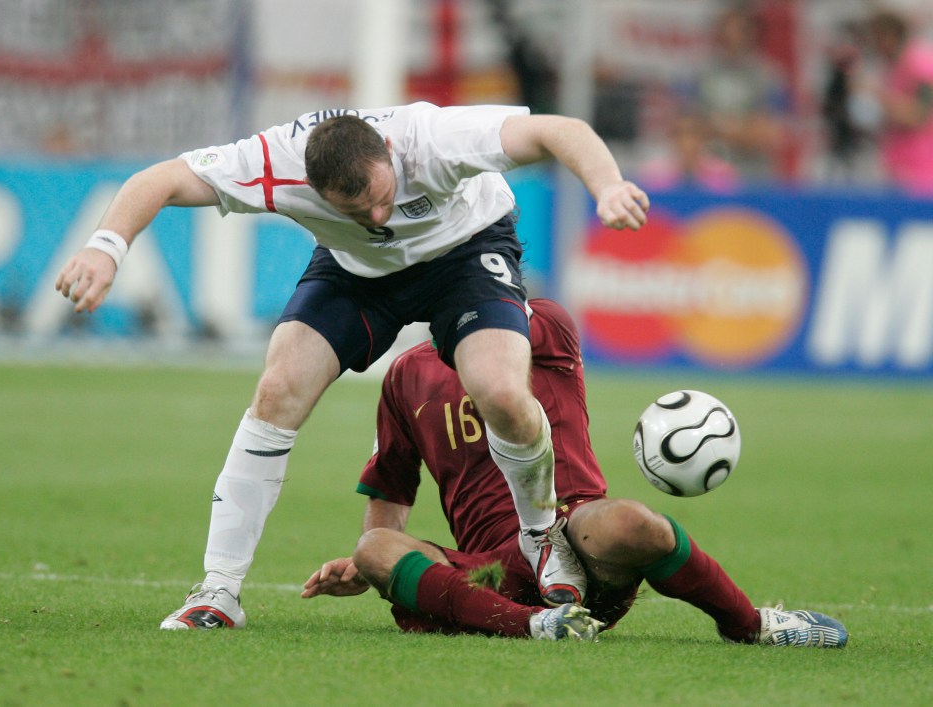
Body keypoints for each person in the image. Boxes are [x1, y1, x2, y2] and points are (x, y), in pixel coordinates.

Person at [53, 102, 651, 629]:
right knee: (278, 388)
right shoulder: (275, 161)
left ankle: (541, 535)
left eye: (383, 198)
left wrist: (607, 186)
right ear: (314, 189)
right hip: (358, 275)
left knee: (497, 389)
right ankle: (219, 589)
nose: (379, 218)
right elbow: (161, 177)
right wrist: (107, 247)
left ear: (390, 154)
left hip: (465, 254)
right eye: (356, 209)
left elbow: (560, 129)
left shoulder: (434, 137)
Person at [301, 299, 849, 646]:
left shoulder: (546, 327)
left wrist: (484, 299)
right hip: (491, 573)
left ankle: (751, 625)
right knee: (375, 547)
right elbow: (391, 485)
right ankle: (536, 626)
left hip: (579, 546)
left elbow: (499, 322)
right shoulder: (405, 375)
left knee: (638, 523)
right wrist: (369, 567)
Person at [682, 3, 789, 181]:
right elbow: (688, 127)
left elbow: (770, 133)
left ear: (752, 34)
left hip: (755, 173)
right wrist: (739, 129)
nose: (732, 38)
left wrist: (716, 128)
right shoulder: (700, 74)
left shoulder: (768, 77)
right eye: (727, 31)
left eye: (740, 31)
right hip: (707, 173)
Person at [863, 8, 933, 196]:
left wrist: (876, 95)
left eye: (877, 38)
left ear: (890, 36)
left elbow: (919, 115)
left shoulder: (919, 64)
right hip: (898, 167)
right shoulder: (892, 66)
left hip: (921, 172)